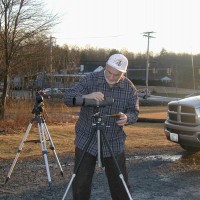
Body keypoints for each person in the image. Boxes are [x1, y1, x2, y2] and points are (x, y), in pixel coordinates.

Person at [64, 53, 139, 200]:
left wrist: (127, 118)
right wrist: (87, 96)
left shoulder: (129, 87)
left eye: (116, 75)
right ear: (105, 66)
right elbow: (67, 98)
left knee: (120, 184)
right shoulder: (90, 79)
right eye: (109, 72)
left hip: (113, 140)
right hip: (87, 139)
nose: (111, 77)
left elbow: (134, 111)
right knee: (80, 183)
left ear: (123, 73)